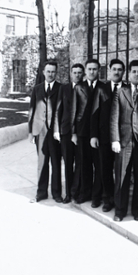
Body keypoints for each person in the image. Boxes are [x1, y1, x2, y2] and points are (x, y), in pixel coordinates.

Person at [110, 60, 138, 221]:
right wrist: (115, 139)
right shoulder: (121, 91)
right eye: (134, 71)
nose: (136, 74)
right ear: (129, 73)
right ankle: (120, 211)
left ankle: (137, 210)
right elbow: (114, 116)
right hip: (124, 141)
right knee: (122, 176)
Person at [90, 59, 126, 212]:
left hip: (122, 138)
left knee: (119, 171)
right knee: (105, 170)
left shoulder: (128, 89)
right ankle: (107, 199)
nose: (117, 72)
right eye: (114, 69)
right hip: (104, 138)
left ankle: (119, 199)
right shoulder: (101, 89)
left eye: (120, 69)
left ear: (123, 72)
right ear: (110, 70)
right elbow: (94, 114)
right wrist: (94, 136)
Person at [28, 61, 62, 203]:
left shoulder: (61, 88)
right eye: (48, 71)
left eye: (53, 71)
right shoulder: (37, 89)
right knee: (42, 163)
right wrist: (31, 132)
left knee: (56, 163)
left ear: (56, 72)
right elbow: (32, 110)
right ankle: (41, 193)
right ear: (43, 72)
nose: (50, 74)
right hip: (40, 131)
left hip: (55, 132)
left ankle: (56, 193)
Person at [71, 59, 103, 204]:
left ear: (99, 70)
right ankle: (85, 193)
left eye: (95, 69)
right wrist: (74, 133)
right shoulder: (79, 87)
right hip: (83, 132)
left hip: (98, 133)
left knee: (99, 164)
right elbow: (74, 111)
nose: (92, 72)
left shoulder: (104, 87)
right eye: (89, 69)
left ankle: (97, 196)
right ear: (86, 71)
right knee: (84, 164)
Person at [54, 63, 84, 204]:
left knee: (79, 164)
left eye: (79, 72)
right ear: (71, 74)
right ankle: (68, 194)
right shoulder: (64, 89)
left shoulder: (85, 88)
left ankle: (76, 192)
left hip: (81, 133)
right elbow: (58, 110)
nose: (77, 75)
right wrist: (56, 130)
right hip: (65, 132)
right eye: (75, 72)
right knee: (67, 163)